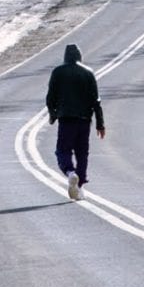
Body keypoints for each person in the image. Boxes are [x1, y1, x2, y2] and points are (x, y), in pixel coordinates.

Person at [45, 43, 105, 200]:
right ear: (80, 56)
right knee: (82, 153)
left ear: (65, 57)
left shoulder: (58, 72)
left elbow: (50, 97)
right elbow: (96, 101)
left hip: (66, 119)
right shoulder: (88, 73)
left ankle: (70, 173)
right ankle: (79, 186)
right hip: (85, 120)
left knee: (62, 151)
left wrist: (53, 114)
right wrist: (100, 123)